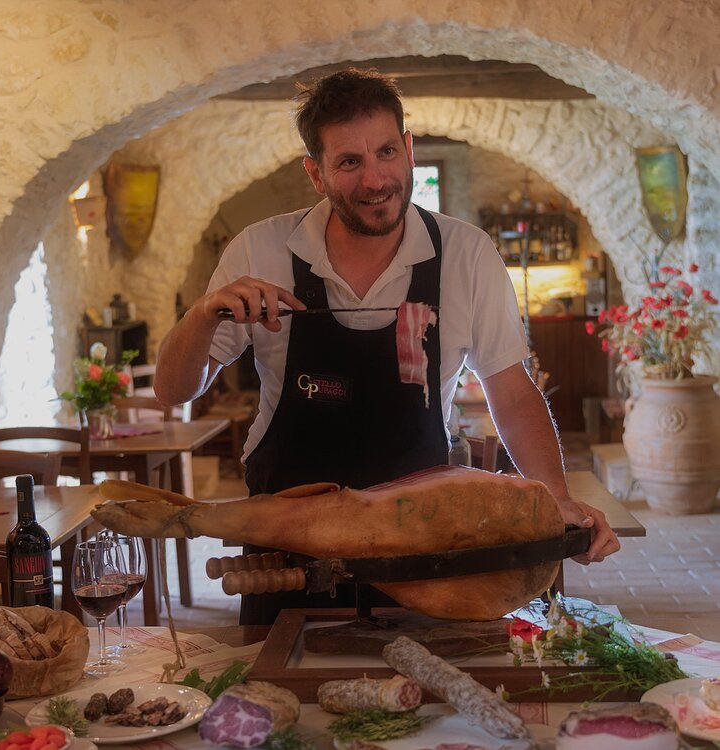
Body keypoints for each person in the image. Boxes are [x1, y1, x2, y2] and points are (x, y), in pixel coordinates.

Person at [154, 68, 620, 624]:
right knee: (280, 696)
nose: (375, 179)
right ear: (316, 173)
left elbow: (512, 392)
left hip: (426, 528)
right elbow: (172, 389)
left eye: (386, 153)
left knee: (426, 699)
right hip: (288, 528)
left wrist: (557, 497)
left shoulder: (466, 254)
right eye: (349, 162)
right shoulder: (260, 249)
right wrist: (203, 316)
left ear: (408, 148)